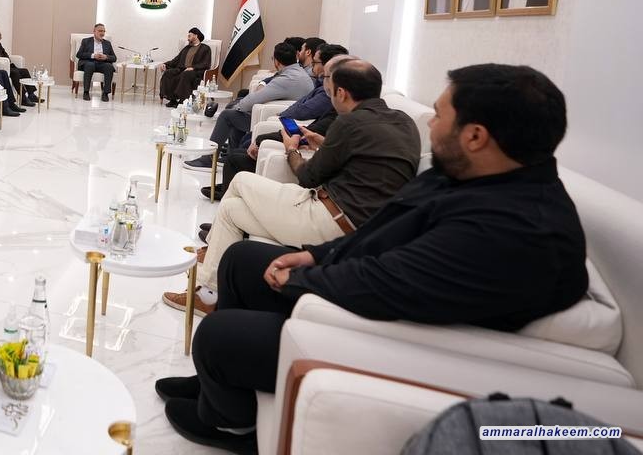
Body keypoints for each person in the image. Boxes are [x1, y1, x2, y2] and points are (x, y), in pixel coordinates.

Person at [155, 64, 586, 449]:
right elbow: (381, 232)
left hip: (384, 333)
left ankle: (230, 423)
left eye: (439, 115)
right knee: (241, 260)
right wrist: (315, 256)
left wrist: (304, 280)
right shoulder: (468, 178)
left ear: (475, 136)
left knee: (218, 336)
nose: (431, 124)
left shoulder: (519, 229)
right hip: (364, 287)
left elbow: (391, 282)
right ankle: (215, 386)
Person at [165, 59, 420, 315]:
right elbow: (366, 163)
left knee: (241, 180)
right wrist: (325, 144)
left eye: (330, 87)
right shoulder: (404, 122)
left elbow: (308, 176)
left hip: (328, 221)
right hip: (361, 228)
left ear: (342, 93)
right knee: (231, 210)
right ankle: (209, 292)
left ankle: (209, 271)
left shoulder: (350, 123)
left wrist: (291, 150)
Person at [199, 47, 353, 202]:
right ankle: (230, 185)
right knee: (240, 135)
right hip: (294, 136)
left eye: (316, 63)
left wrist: (274, 132)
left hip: (301, 162)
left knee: (232, 121)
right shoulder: (315, 86)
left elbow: (305, 118)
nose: (313, 66)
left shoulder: (335, 109)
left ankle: (214, 167)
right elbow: (301, 108)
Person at [185, 41, 313, 169]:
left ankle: (208, 159)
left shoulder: (286, 79)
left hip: (274, 121)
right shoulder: (300, 73)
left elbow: (251, 101)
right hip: (290, 121)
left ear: (277, 62)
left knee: (227, 115)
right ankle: (232, 156)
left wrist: (238, 106)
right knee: (237, 112)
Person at [0, 28, 37, 106]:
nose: (0, 39)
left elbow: (6, 55)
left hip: (6, 66)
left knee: (24, 71)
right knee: (15, 73)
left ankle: (31, 94)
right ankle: (23, 98)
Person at [158, 27, 213, 107]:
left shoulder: (205, 48)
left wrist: (193, 67)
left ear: (196, 36)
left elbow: (206, 63)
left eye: (189, 36)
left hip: (196, 71)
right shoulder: (187, 48)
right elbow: (176, 60)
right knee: (168, 73)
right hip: (182, 70)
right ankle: (173, 99)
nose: (188, 38)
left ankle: (183, 101)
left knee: (186, 74)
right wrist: (165, 64)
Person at [75, 24, 117, 102]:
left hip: (102, 64)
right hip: (89, 62)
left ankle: (105, 93)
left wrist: (106, 57)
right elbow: (79, 54)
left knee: (109, 66)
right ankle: (86, 92)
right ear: (94, 31)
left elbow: (114, 58)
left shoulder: (107, 43)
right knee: (90, 65)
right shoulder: (86, 41)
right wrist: (93, 55)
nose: (102, 33)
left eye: (104, 31)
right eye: (100, 31)